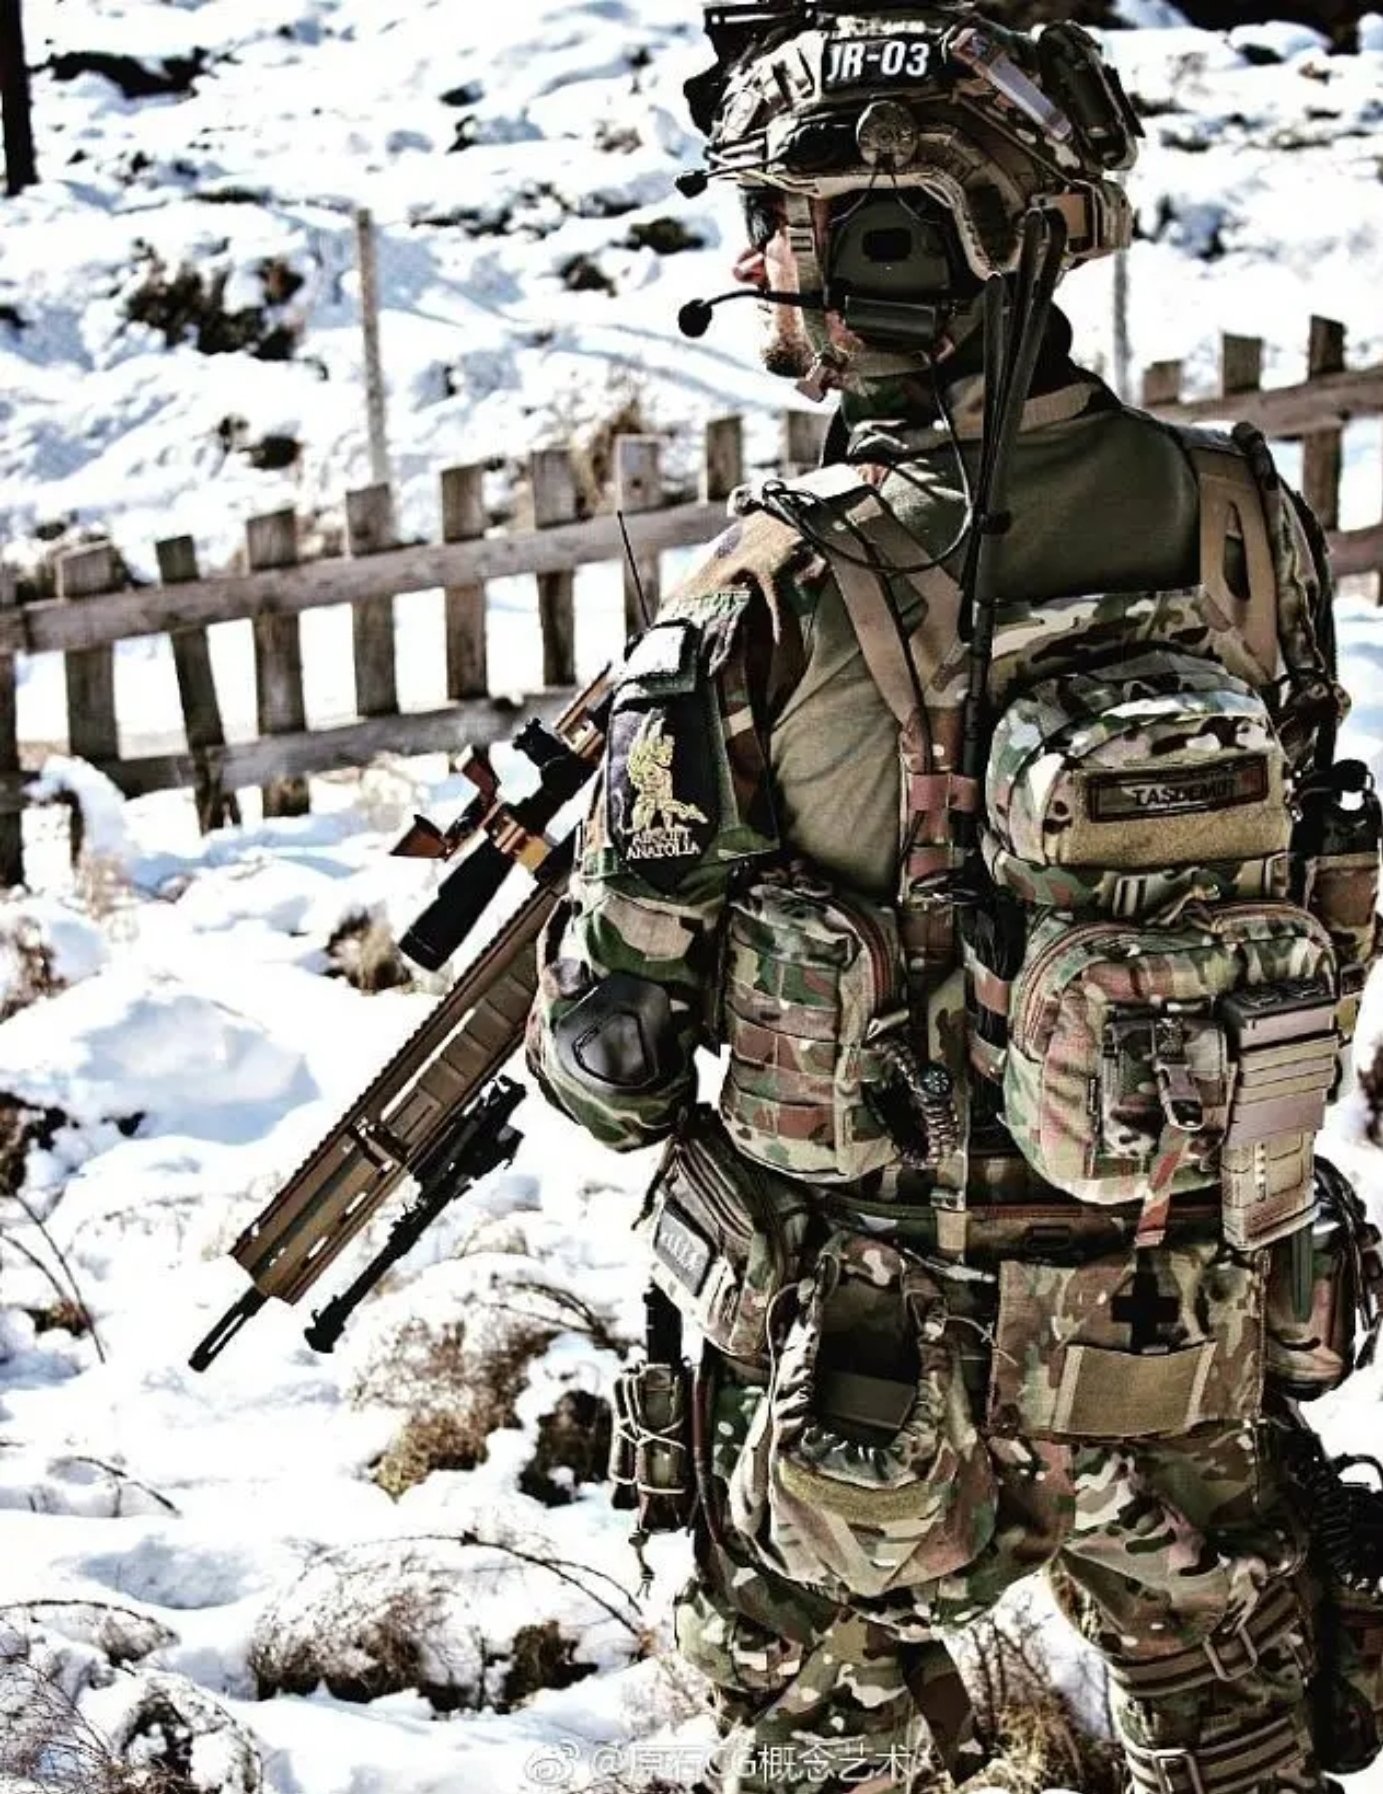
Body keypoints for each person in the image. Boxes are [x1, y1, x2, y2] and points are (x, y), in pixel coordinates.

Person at [526, 5, 1381, 1791]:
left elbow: (613, 1052)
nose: (764, 270)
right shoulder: (1248, 519)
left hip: (878, 1384)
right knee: (1239, 1735)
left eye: (791, 228)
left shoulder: (779, 582)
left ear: (897, 254)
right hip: (1188, 1318)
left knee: (824, 1744)